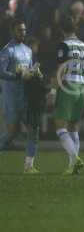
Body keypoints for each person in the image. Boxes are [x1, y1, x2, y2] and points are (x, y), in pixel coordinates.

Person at [0, 19, 38, 173]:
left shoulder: (28, 50)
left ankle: (29, 166)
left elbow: (29, 71)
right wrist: (17, 75)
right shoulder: (7, 50)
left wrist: (35, 73)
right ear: (12, 31)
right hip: (12, 99)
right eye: (19, 30)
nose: (22, 32)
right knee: (10, 134)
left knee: (33, 130)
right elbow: (1, 72)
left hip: (26, 98)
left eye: (24, 30)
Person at [53, 15, 84, 175]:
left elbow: (63, 69)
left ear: (61, 30)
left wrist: (54, 90)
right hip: (81, 87)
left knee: (60, 127)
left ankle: (75, 159)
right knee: (73, 127)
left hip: (68, 86)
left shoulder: (64, 45)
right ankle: (73, 166)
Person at [24, 37, 50, 174]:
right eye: (35, 45)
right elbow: (36, 83)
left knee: (30, 132)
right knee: (33, 133)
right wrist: (46, 88)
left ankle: (29, 165)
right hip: (33, 102)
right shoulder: (31, 61)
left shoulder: (30, 61)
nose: (36, 48)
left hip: (31, 101)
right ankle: (28, 166)